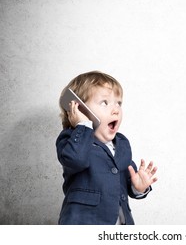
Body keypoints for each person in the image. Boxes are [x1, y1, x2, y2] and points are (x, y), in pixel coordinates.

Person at [56, 70, 157, 224]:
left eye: (119, 103)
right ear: (80, 109)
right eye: (105, 102)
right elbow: (76, 160)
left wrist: (138, 188)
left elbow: (126, 182)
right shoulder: (70, 139)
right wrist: (83, 126)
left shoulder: (122, 144)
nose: (116, 109)